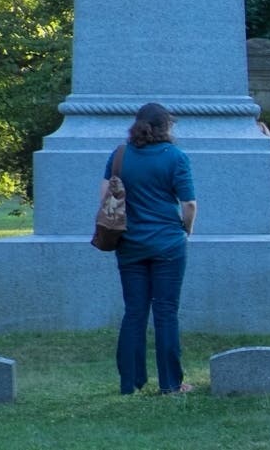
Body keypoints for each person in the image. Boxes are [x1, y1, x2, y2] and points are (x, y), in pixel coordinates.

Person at [105, 102, 197, 395]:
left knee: (134, 311)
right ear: (166, 127)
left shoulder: (120, 155)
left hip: (130, 243)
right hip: (168, 243)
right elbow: (189, 204)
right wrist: (187, 229)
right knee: (166, 312)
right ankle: (171, 383)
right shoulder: (176, 157)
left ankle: (129, 382)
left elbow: (105, 197)